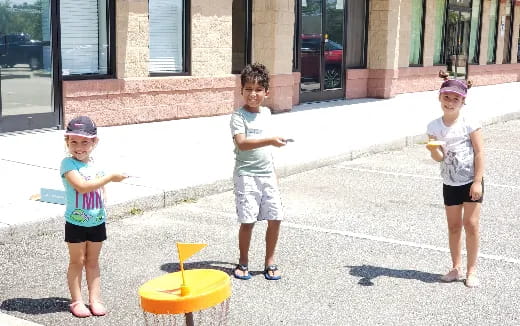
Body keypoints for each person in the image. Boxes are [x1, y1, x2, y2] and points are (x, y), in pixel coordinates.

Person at [60, 116, 128, 317]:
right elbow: (81, 187)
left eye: (85, 142)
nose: (79, 147)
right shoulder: (68, 164)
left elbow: (100, 189)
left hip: (97, 221)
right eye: (74, 142)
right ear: (67, 142)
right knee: (77, 261)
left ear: (94, 142)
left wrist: (104, 200)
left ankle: (95, 299)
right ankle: (76, 301)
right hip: (76, 223)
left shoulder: (95, 165)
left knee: (93, 261)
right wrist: (110, 177)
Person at [230, 63, 288, 281]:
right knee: (248, 221)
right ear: (241, 90)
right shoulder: (238, 117)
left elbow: (265, 149)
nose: (253, 94)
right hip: (246, 175)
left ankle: (270, 261)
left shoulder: (266, 113)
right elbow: (242, 143)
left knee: (276, 217)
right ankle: (243, 262)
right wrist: (271, 141)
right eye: (248, 89)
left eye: (258, 90)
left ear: (266, 92)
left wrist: (273, 174)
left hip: (267, 174)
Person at [426, 71, 484, 288]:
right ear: (440, 98)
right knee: (453, 226)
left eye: (456, 99)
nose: (450, 102)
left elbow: (479, 153)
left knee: (471, 224)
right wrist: (433, 150)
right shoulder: (434, 127)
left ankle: (471, 270)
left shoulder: (470, 122)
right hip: (449, 183)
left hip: (470, 181)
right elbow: (439, 157)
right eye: (447, 97)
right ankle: (455, 267)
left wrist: (477, 181)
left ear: (463, 101)